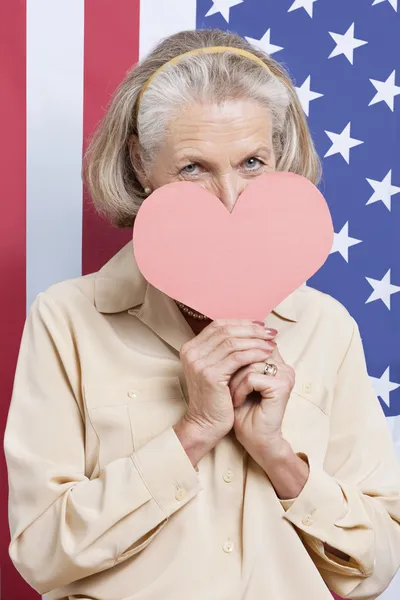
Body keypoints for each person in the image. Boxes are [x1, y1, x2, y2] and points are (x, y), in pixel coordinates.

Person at [4, 28, 400, 600]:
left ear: (280, 156)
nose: (231, 198)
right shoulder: (66, 319)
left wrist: (278, 455)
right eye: (194, 167)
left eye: (252, 162)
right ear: (142, 165)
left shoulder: (327, 326)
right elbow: (41, 555)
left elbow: (374, 566)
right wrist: (191, 433)